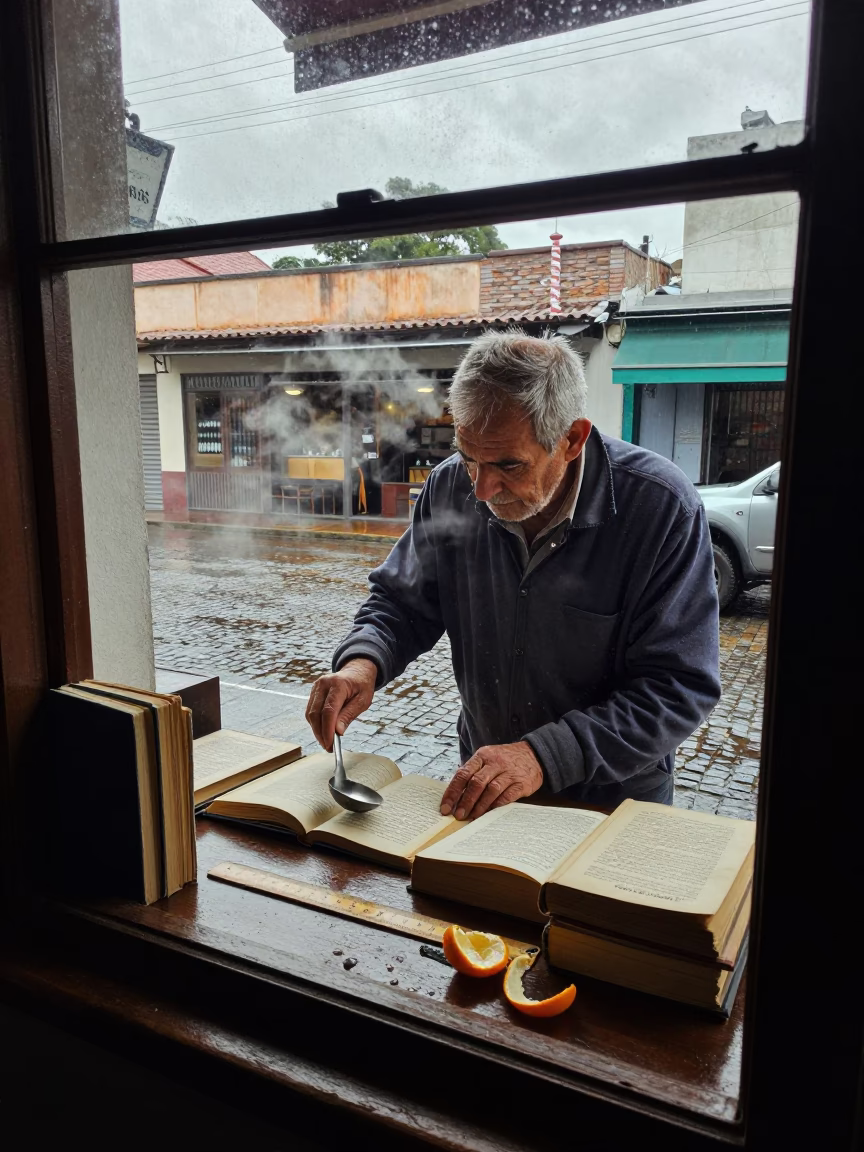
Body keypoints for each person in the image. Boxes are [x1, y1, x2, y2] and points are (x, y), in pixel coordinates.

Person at [306, 330, 721, 820]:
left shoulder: (659, 508)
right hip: (487, 793)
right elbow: (401, 601)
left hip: (611, 807)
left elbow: (678, 686)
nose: (480, 490)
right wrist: (363, 663)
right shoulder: (448, 488)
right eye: (468, 457)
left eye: (508, 465)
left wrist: (542, 756)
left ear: (571, 439)